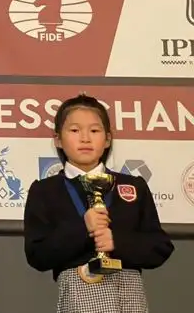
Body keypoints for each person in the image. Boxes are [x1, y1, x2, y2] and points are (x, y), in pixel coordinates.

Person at [23, 94, 175, 313]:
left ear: (107, 139)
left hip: (129, 296)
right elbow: (37, 255)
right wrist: (82, 229)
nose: (85, 138)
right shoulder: (45, 190)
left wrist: (117, 242)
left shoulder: (133, 186)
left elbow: (160, 247)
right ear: (58, 139)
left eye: (94, 131)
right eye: (74, 130)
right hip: (78, 296)